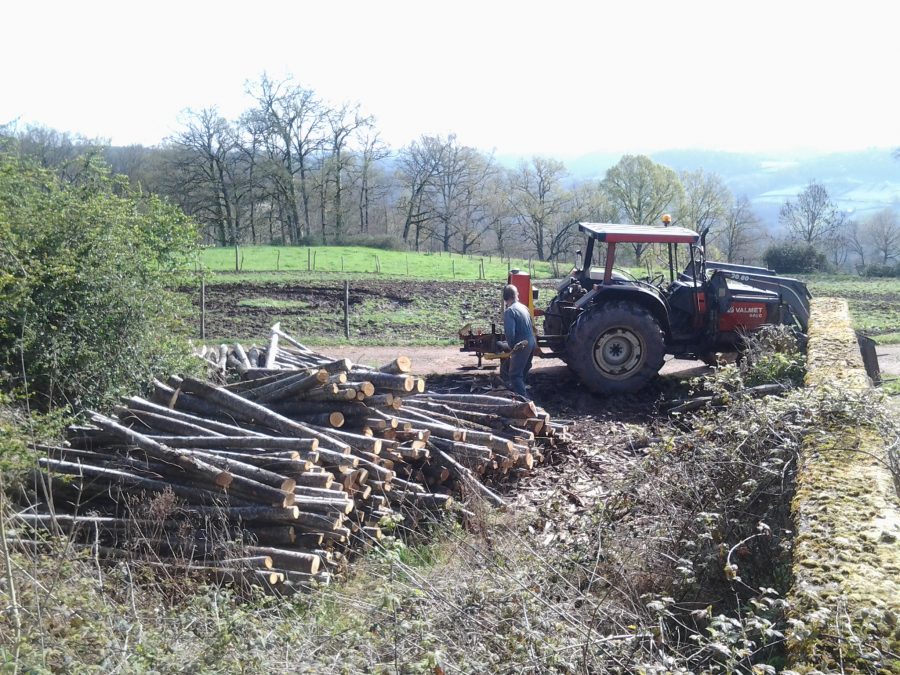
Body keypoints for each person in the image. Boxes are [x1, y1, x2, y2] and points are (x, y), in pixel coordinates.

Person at [500, 284, 537, 400]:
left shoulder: (510, 312)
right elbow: (532, 327)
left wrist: (511, 348)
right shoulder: (524, 308)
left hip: (521, 345)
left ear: (505, 298)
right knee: (523, 370)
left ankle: (526, 402)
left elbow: (510, 334)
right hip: (531, 342)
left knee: (515, 375)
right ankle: (520, 390)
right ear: (516, 295)